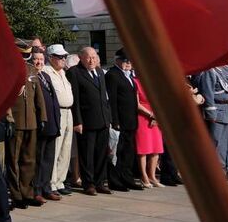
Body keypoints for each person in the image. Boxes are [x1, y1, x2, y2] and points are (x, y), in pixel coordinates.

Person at [68, 46, 112, 196]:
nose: (92, 60)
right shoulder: (74, 73)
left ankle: (100, 182)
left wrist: (108, 118)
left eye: (94, 57)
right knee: (87, 155)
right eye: (88, 57)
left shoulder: (99, 72)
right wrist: (77, 121)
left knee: (101, 153)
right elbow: (76, 100)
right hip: (86, 121)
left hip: (103, 120)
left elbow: (104, 97)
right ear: (81, 58)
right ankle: (88, 184)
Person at [5, 44, 41, 209]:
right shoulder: (8, 69)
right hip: (16, 120)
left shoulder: (32, 70)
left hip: (31, 120)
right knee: (13, 160)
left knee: (29, 159)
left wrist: (43, 117)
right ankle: (16, 194)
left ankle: (27, 192)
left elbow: (37, 95)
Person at [196, 57, 228, 180]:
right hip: (217, 110)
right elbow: (208, 93)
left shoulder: (225, 69)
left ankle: (221, 169)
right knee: (214, 142)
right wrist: (211, 114)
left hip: (227, 109)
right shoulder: (211, 71)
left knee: (224, 143)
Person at [40, 45, 77, 197]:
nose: (63, 59)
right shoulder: (46, 71)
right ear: (51, 57)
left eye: (64, 57)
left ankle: (60, 181)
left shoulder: (62, 72)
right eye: (60, 57)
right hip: (58, 111)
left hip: (68, 111)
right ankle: (51, 181)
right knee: (55, 148)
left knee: (66, 148)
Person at [106, 49, 142, 191]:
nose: (128, 64)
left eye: (130, 61)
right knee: (117, 152)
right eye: (125, 61)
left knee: (128, 152)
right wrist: (115, 121)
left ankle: (127, 178)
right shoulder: (113, 75)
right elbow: (112, 100)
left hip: (130, 120)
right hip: (120, 121)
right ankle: (115, 180)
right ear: (118, 60)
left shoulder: (129, 76)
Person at [32, 47, 63, 202]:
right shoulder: (31, 77)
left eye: (41, 60)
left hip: (52, 124)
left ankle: (46, 187)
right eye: (36, 59)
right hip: (39, 125)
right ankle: (36, 189)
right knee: (38, 158)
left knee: (49, 158)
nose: (39, 62)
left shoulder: (45, 76)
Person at [134, 75, 164, 187]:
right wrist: (151, 115)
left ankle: (152, 176)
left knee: (156, 148)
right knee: (143, 148)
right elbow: (137, 104)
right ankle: (143, 176)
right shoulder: (135, 81)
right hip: (143, 117)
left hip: (156, 116)